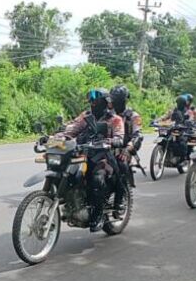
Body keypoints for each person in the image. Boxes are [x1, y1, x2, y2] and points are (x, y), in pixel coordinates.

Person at [61, 88, 125, 232]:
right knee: (67, 172)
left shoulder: (115, 119)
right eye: (91, 101)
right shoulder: (86, 116)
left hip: (104, 157)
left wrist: (111, 141)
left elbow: (119, 137)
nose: (93, 103)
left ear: (105, 102)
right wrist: (57, 137)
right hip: (83, 154)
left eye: (95, 100)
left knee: (97, 179)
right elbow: (72, 130)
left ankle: (97, 214)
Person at [110, 85, 143, 212]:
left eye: (119, 99)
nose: (116, 102)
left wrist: (128, 148)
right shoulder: (108, 114)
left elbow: (138, 135)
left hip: (124, 150)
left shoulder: (133, 116)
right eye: (114, 99)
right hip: (106, 147)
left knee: (121, 166)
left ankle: (119, 201)